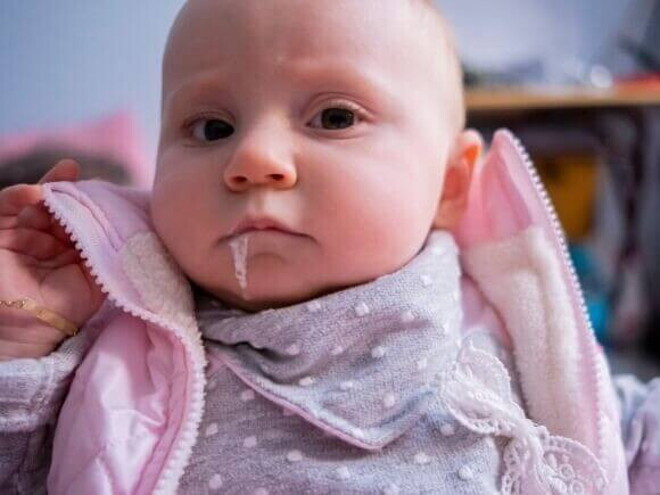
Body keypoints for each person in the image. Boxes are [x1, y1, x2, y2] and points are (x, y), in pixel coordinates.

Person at [0, 0, 658, 493]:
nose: (253, 157)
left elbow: (624, 437)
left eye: (335, 117)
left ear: (450, 184)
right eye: (211, 126)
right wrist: (24, 340)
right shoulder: (120, 348)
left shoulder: (515, 337)